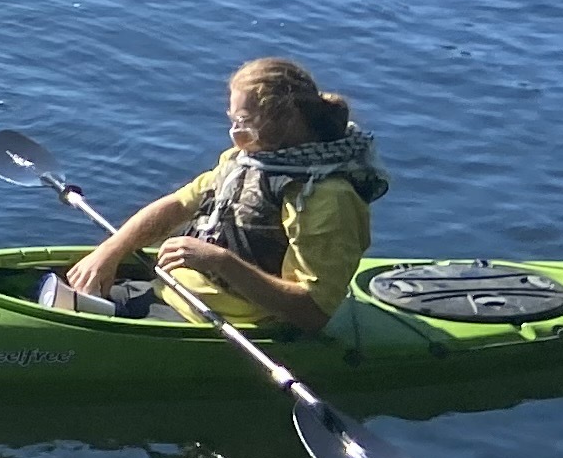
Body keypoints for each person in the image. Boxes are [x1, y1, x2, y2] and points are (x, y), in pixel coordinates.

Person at [54, 57, 390, 335]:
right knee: (54, 294)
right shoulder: (246, 160)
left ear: (288, 119)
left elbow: (312, 312)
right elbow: (178, 205)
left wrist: (216, 260)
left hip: (231, 327)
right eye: (232, 121)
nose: (235, 135)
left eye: (244, 122)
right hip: (171, 293)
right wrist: (111, 251)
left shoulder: (325, 198)